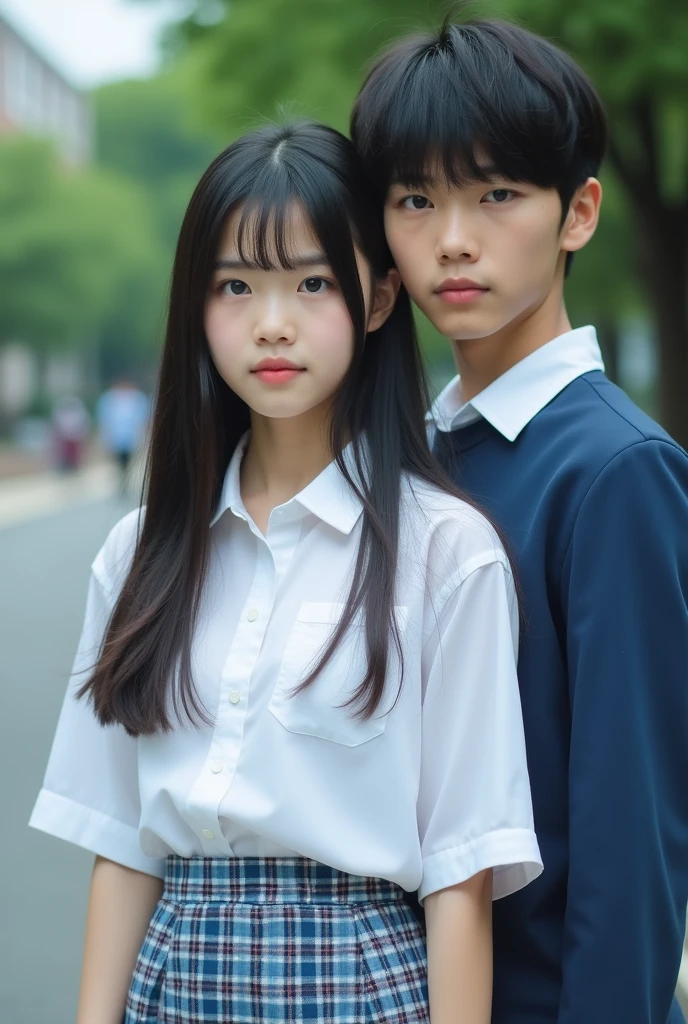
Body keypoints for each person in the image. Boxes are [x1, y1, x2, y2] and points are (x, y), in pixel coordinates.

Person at [29, 122, 542, 1024]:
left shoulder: (447, 554)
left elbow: (464, 871)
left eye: (312, 283)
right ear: (197, 304)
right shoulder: (139, 553)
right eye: (236, 286)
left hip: (362, 979)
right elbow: (121, 846)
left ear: (379, 299)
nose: (273, 324)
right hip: (174, 976)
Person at [351, 17, 688, 1024]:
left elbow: (633, 836)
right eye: (416, 199)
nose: (453, 238)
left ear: (576, 212)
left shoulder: (615, 470)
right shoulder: (410, 455)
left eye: (496, 194)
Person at [95, 377, 150, 493]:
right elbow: (105, 421)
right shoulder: (109, 399)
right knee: (119, 462)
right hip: (117, 439)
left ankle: (125, 481)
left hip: (131, 438)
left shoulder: (137, 398)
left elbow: (143, 421)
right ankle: (122, 481)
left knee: (128, 461)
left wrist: (143, 437)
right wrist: (106, 439)